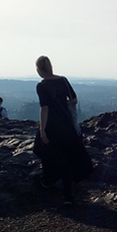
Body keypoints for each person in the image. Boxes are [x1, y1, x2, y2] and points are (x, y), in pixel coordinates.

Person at [34, 55, 93, 206]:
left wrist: (42, 131)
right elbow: (74, 100)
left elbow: (44, 109)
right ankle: (68, 197)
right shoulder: (63, 80)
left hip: (52, 126)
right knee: (68, 158)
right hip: (67, 125)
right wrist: (62, 102)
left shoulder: (41, 86)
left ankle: (48, 180)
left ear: (39, 69)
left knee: (42, 151)